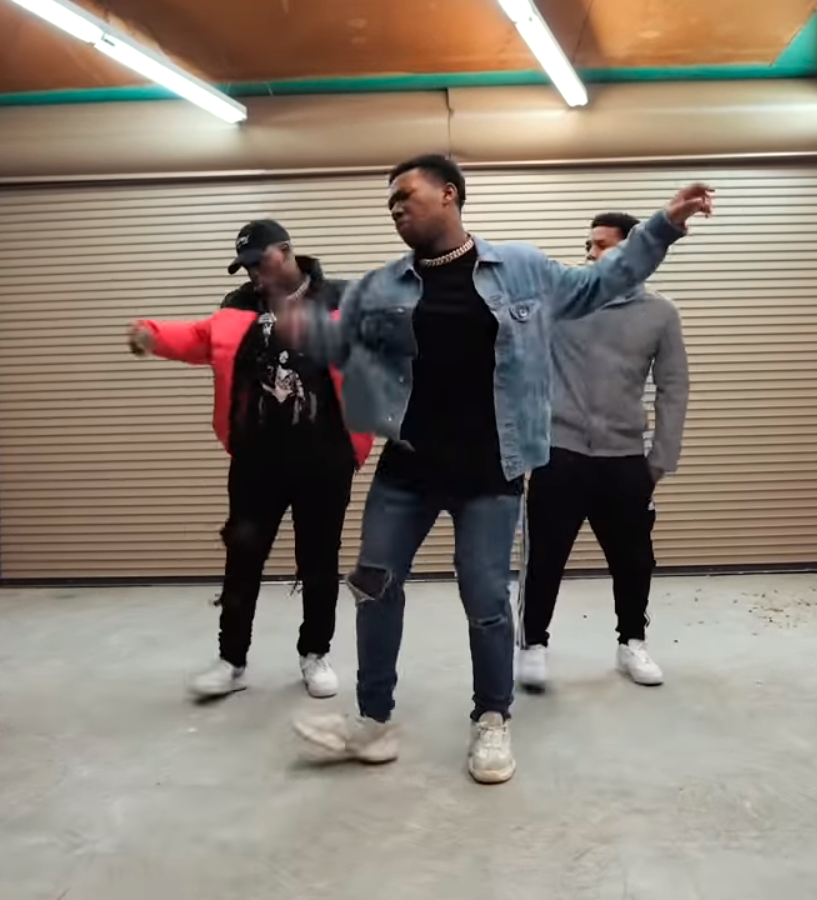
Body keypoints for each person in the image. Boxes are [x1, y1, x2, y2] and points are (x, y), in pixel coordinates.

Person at [274, 154, 714, 784]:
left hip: (490, 470)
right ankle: (372, 721)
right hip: (406, 469)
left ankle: (492, 717)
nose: (395, 208)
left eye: (406, 194)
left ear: (449, 194)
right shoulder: (383, 285)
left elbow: (601, 283)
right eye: (389, 202)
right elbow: (336, 343)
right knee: (374, 583)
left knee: (485, 599)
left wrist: (662, 226)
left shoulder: (522, 269)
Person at [126, 220, 373, 701]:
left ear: (287, 251)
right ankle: (231, 660)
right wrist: (151, 335)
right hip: (257, 461)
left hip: (325, 459)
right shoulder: (238, 307)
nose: (254, 273)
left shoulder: (340, 298)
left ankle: (315, 654)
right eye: (246, 267)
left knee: (319, 561)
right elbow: (197, 338)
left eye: (260, 262)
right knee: (243, 559)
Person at [516, 211, 689, 692]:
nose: (591, 254)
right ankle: (532, 644)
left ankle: (632, 642)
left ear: (633, 251)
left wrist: (660, 460)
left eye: (602, 245)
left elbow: (673, 387)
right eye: (588, 245)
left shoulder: (660, 313)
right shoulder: (559, 303)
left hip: (625, 459)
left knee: (634, 560)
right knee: (544, 557)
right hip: (560, 454)